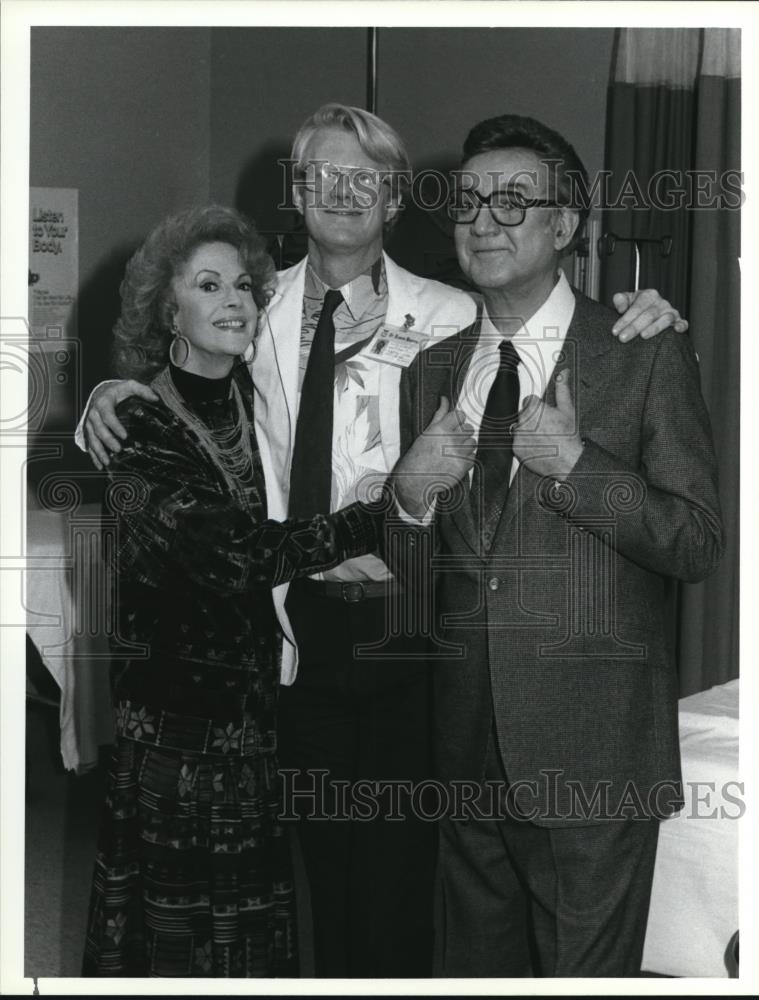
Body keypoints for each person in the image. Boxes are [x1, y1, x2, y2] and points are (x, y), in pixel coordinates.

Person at [76, 104, 688, 978]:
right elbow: (183, 367)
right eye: (323, 175)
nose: (343, 192)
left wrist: (644, 312)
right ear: (296, 193)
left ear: (396, 199)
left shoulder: (453, 310)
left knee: (410, 888)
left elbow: (551, 324)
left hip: (416, 632)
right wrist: (110, 390)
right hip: (294, 629)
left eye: (366, 177)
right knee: (317, 879)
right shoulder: (254, 306)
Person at [394, 114, 724, 977]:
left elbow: (696, 541)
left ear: (566, 225)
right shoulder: (430, 372)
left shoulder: (642, 353)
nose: (484, 221)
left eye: (513, 201)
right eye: (468, 202)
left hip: (594, 759)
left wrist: (578, 465)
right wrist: (408, 498)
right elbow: (426, 569)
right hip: (465, 750)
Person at [81, 205, 414, 977]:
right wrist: (384, 513)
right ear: (169, 311)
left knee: (248, 937)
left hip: (252, 720)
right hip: (176, 727)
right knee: (180, 941)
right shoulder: (140, 427)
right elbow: (238, 555)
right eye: (207, 286)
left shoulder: (251, 397)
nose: (234, 301)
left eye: (242, 286)